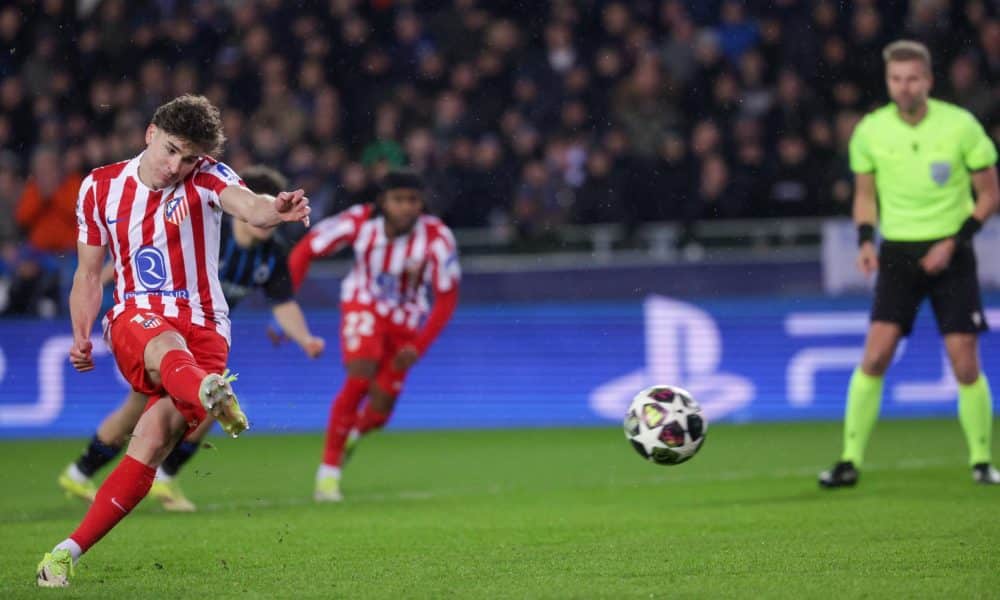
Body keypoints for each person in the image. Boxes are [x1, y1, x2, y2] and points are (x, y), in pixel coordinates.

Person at [36, 95, 311, 588]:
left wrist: (277, 209)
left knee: (151, 440)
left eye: (188, 158)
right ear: (149, 133)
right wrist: (80, 333)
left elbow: (250, 205)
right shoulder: (99, 187)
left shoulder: (208, 176)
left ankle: (65, 552)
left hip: (206, 326)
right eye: (170, 151)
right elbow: (89, 273)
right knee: (165, 349)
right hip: (138, 317)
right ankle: (209, 392)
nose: (176, 166)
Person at [56, 165, 325, 512]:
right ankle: (145, 477)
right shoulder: (209, 232)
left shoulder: (270, 254)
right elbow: (138, 253)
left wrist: (305, 339)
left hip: (202, 339)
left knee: (179, 405)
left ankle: (87, 472)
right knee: (191, 403)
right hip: (160, 326)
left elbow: (284, 304)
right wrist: (104, 280)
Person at [819, 41, 1000, 488]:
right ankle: (848, 460)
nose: (904, 87)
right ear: (888, 81)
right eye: (896, 79)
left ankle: (981, 461)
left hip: (952, 252)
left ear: (929, 80)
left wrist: (953, 242)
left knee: (964, 363)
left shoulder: (961, 126)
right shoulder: (871, 131)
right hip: (897, 253)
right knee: (876, 354)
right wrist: (865, 240)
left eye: (913, 79)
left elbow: (990, 195)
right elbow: (865, 195)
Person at [288, 169, 460, 502]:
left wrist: (418, 346)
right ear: (384, 201)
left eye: (413, 200)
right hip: (363, 304)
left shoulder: (438, 238)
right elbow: (307, 248)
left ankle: (352, 433)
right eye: (399, 199)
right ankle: (328, 473)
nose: (406, 207)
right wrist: (285, 301)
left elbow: (447, 297)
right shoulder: (358, 221)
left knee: (380, 412)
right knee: (360, 375)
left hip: (406, 322)